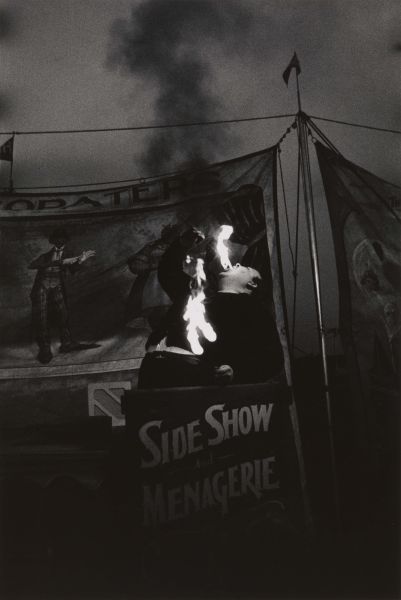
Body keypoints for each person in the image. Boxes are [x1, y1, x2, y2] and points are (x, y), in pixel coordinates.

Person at [138, 228, 283, 388]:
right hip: (154, 375)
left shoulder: (253, 311)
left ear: (252, 283)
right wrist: (181, 245)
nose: (237, 264)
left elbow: (273, 359)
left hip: (193, 385)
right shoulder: (197, 294)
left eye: (245, 269)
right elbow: (168, 273)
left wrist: (236, 372)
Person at [29, 228, 95, 364]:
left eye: (62, 238)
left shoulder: (69, 254)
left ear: (65, 240)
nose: (59, 241)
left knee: (63, 315)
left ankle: (67, 344)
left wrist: (80, 260)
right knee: (41, 318)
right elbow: (32, 265)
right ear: (52, 241)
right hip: (42, 287)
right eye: (57, 238)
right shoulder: (46, 255)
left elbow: (73, 270)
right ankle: (45, 349)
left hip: (57, 287)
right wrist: (60, 262)